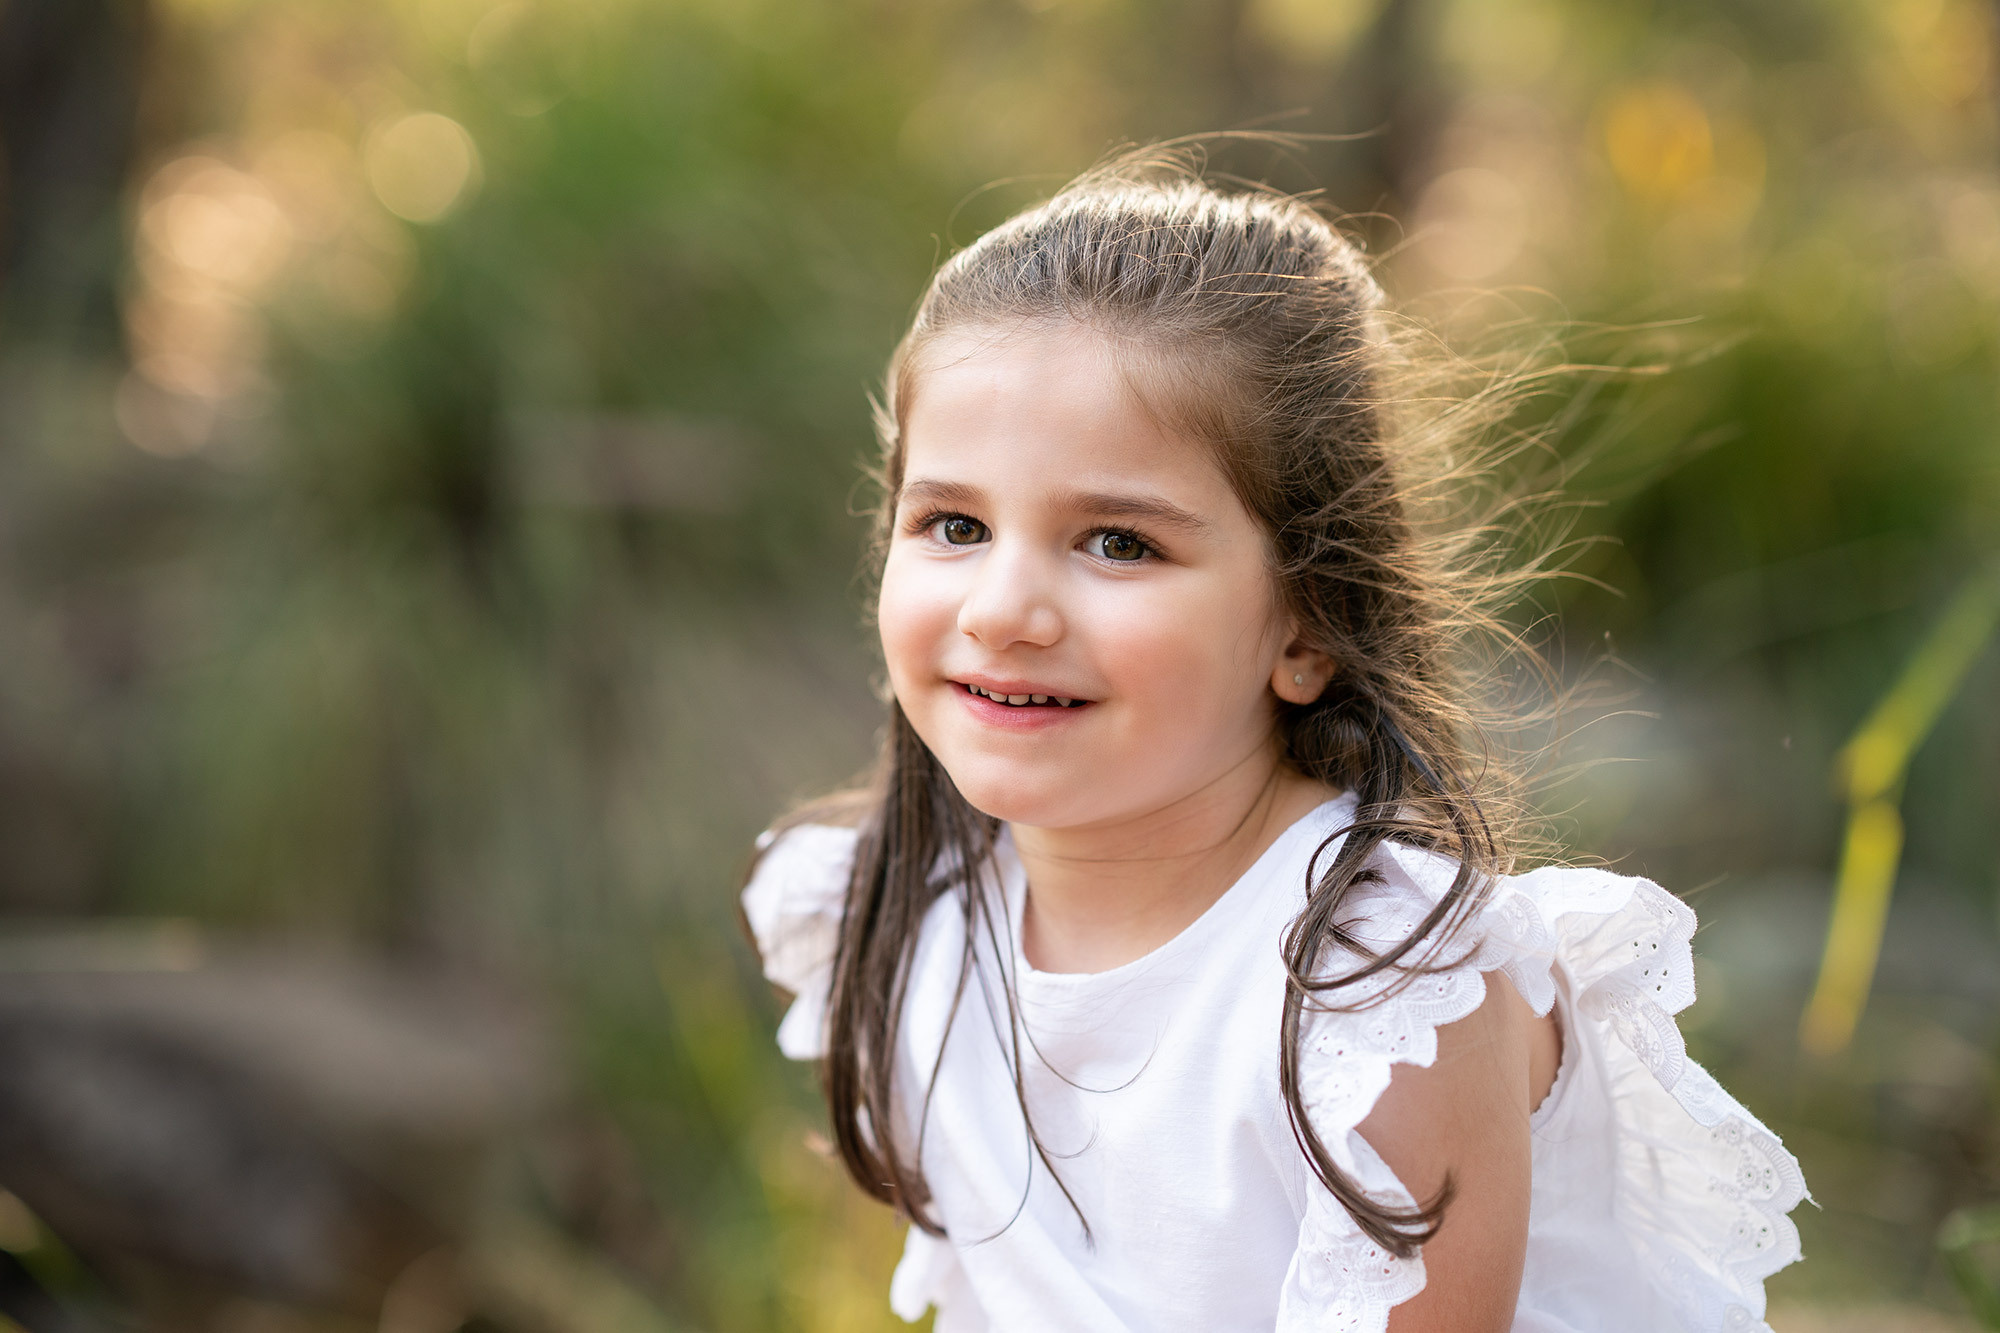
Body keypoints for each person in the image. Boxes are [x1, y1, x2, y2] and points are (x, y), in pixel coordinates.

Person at [740, 157, 1808, 1332]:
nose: (1001, 608)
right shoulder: (908, 923)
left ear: (1304, 623)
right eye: (953, 524)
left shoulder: (1381, 993)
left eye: (1117, 544)